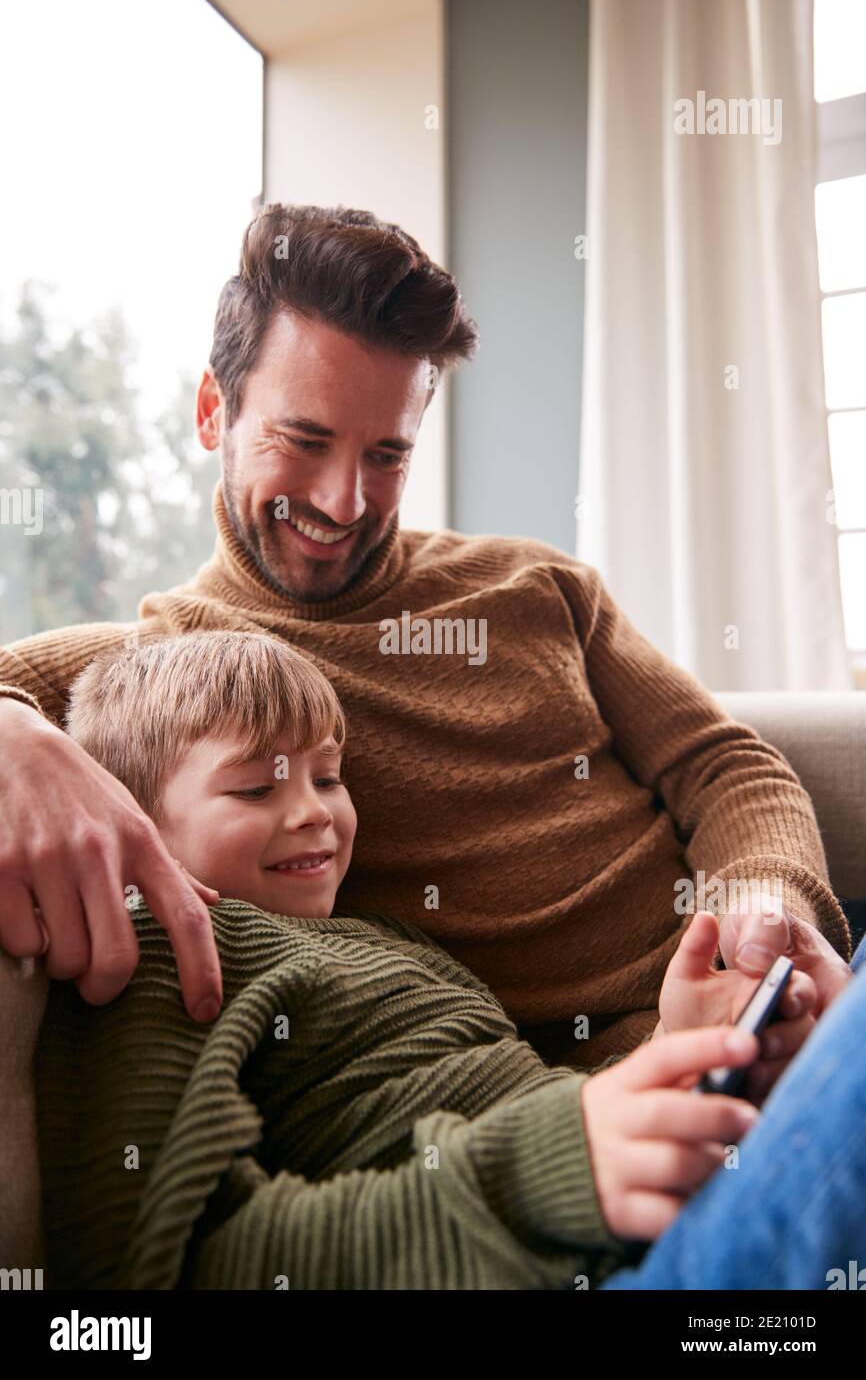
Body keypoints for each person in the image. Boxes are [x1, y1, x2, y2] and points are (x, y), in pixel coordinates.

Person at [0, 203, 853, 1084]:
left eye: (386, 456)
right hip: (629, 1085)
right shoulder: (174, 665)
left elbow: (721, 763)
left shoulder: (536, 584)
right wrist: (13, 737)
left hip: (780, 984)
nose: (344, 501)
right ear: (215, 411)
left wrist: (768, 912)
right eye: (305, 440)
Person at [5, 629, 856, 1291]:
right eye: (257, 789)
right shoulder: (158, 951)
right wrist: (546, 1167)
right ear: (132, 823)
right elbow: (170, 1271)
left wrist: (682, 1053)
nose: (314, 814)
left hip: (658, 1221)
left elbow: (541, 1126)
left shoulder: (391, 945)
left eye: (328, 778)